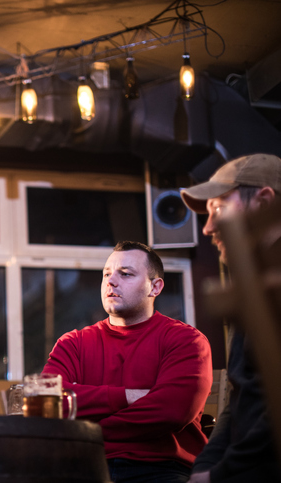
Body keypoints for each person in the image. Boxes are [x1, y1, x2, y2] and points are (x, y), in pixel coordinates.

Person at [42, 241, 213, 483]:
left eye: (126, 274)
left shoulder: (186, 340)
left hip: (161, 469)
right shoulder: (73, 343)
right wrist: (130, 396)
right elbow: (48, 401)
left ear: (155, 287)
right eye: (107, 274)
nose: (111, 282)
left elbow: (172, 411)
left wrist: (85, 431)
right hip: (82, 466)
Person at [180, 153, 281, 482]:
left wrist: (222, 474)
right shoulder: (253, 285)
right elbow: (242, 395)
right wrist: (205, 468)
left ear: (264, 202)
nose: (208, 228)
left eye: (218, 209)